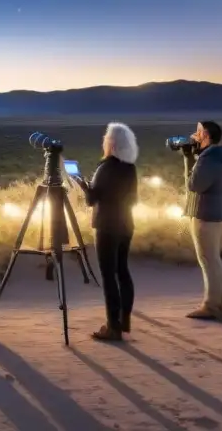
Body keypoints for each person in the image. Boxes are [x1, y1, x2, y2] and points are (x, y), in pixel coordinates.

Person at [84, 122, 139, 342]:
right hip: (126, 223)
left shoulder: (105, 167)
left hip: (107, 225)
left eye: (105, 139)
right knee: (122, 271)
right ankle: (124, 319)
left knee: (108, 276)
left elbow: (92, 199)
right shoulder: (130, 167)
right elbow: (133, 198)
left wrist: (84, 186)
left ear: (112, 143)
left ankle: (112, 327)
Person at [182, 120, 222, 321]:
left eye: (197, 133)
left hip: (206, 214)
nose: (193, 137)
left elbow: (194, 185)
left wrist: (188, 159)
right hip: (219, 213)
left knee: (207, 260)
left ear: (205, 135)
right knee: (214, 259)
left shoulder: (208, 159)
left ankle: (211, 306)